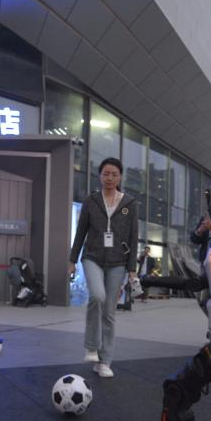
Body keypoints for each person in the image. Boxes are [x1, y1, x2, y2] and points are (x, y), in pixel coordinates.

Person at [68, 157, 139, 378]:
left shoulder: (129, 203)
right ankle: (91, 346)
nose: (109, 178)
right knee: (97, 296)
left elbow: (133, 237)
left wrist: (132, 268)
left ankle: (104, 361)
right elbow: (81, 232)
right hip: (92, 257)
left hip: (118, 262)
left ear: (120, 177)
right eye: (106, 173)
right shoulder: (91, 201)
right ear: (100, 176)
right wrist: (72, 260)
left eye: (114, 174)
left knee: (109, 312)